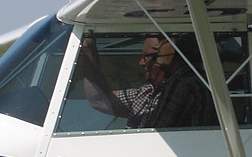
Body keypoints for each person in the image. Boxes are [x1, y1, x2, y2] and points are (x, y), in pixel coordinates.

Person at [80, 31, 214, 129]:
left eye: (147, 56)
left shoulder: (184, 83)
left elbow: (156, 137)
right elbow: (99, 100)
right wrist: (88, 51)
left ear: (166, 55)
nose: (141, 63)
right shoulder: (149, 91)